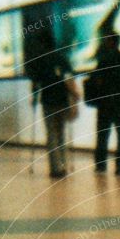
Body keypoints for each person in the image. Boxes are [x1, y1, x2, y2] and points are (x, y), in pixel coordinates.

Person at [26, 29, 75, 179]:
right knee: (60, 133)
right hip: (63, 100)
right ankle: (63, 164)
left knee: (51, 133)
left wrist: (34, 98)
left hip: (48, 101)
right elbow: (69, 77)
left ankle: (56, 168)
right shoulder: (62, 58)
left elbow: (36, 82)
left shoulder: (40, 60)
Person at [91, 33, 120, 176]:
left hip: (105, 104)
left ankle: (100, 165)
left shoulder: (103, 62)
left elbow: (95, 80)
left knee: (102, 135)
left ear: (110, 42)